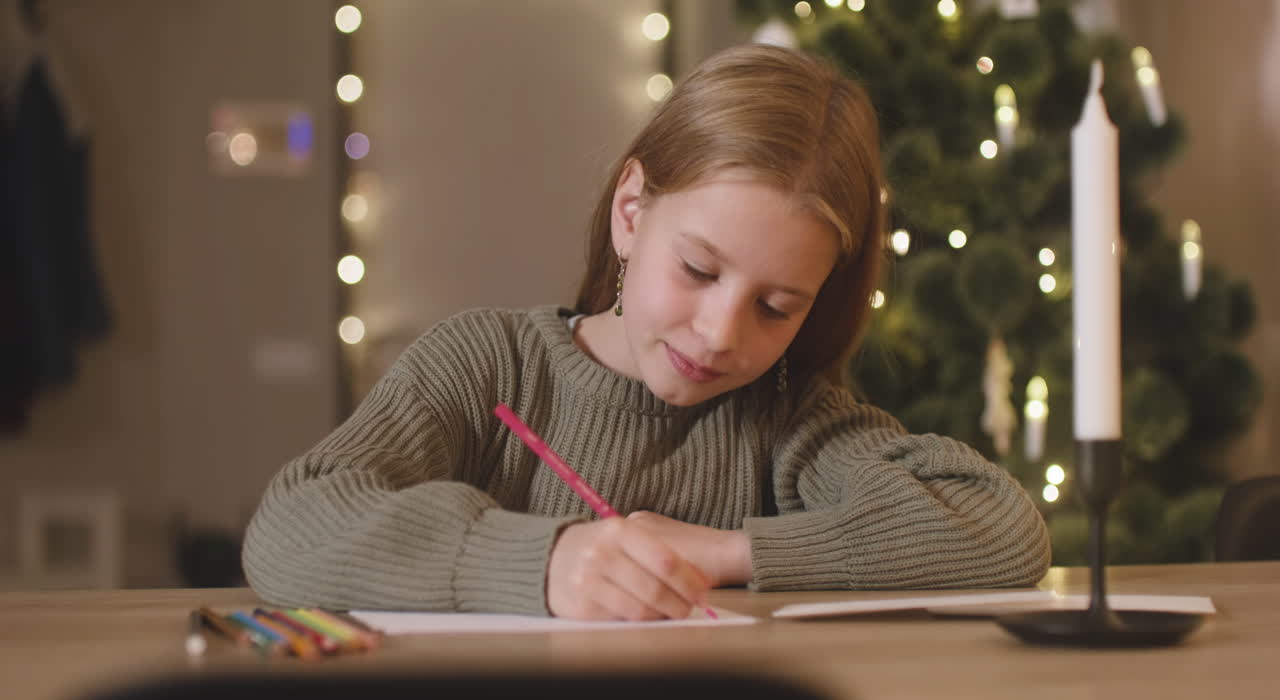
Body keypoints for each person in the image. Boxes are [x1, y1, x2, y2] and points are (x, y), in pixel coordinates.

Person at [242, 44, 1050, 621]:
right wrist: (547, 562)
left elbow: (1004, 531)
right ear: (631, 212)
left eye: (776, 307)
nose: (718, 332)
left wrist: (725, 553)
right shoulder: (488, 366)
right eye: (699, 271)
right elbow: (290, 528)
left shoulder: (786, 415)